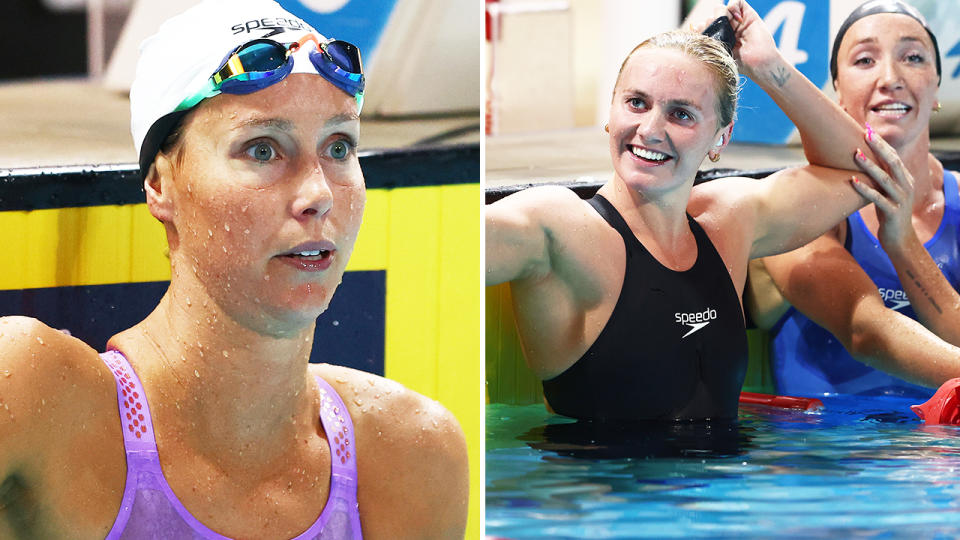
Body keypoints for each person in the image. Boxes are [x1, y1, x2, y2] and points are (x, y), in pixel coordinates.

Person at [0, 1, 468, 538]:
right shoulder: (35, 399)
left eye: (339, 146)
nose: (318, 194)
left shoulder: (411, 454)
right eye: (262, 150)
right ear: (161, 184)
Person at [485, 0, 896, 422]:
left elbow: (871, 169)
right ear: (610, 111)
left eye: (681, 114)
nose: (650, 130)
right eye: (636, 103)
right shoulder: (560, 227)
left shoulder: (728, 222)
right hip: (605, 487)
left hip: (725, 484)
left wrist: (770, 67)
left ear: (721, 138)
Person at [746, 0, 960, 399]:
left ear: (935, 88)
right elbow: (864, 332)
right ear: (837, 93)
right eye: (865, 61)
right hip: (830, 455)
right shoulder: (795, 212)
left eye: (912, 57)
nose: (891, 78)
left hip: (944, 455)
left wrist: (902, 242)